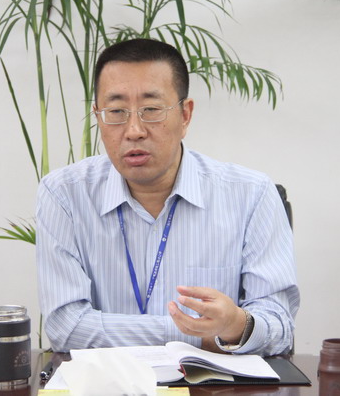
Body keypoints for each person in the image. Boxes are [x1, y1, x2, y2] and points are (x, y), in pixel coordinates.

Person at [36, 38, 299, 356]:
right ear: (98, 117)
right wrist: (197, 334)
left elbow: (278, 325)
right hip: (108, 380)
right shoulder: (64, 195)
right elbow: (66, 327)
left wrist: (237, 324)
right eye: (116, 111)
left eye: (151, 110)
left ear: (185, 115)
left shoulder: (251, 195)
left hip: (212, 382)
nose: (134, 130)